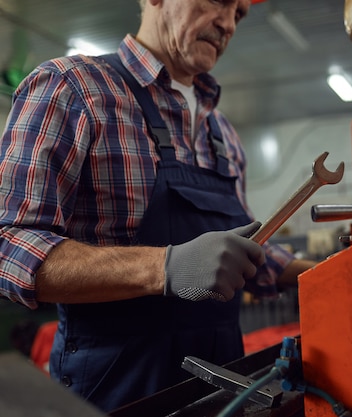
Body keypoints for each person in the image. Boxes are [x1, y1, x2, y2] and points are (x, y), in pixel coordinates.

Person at [0, 0, 315, 412]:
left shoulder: (223, 133)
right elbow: (8, 246)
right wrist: (164, 267)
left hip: (225, 391)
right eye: (219, 1)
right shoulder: (72, 88)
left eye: (239, 13)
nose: (228, 24)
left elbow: (248, 249)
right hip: (113, 391)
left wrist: (328, 273)